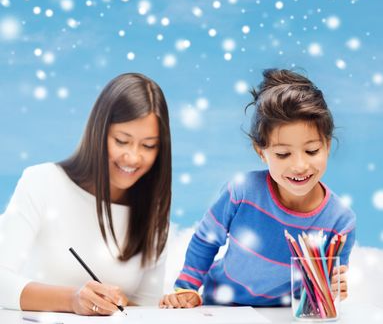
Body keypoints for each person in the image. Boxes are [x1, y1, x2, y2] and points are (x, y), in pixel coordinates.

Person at [160, 69, 356, 308]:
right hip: (219, 307)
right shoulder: (242, 192)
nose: (299, 166)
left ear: (326, 144)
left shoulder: (340, 221)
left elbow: (325, 290)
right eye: (283, 154)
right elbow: (206, 240)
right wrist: (186, 288)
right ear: (260, 151)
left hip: (283, 315)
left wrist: (334, 288)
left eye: (312, 150)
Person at [0, 73, 172, 315]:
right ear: (98, 133)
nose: (133, 157)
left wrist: (119, 302)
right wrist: (72, 299)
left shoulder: (153, 212)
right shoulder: (42, 181)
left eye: (148, 146)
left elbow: (147, 308)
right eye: (122, 141)